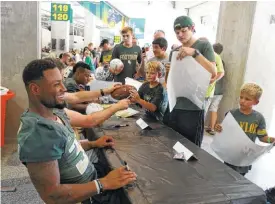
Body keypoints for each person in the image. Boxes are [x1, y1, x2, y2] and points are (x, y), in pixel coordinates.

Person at [18, 59, 136, 204]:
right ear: (35, 89)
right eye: (56, 84)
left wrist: (92, 143)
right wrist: (103, 183)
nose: (64, 88)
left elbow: (65, 147)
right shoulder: (38, 136)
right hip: (87, 196)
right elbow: (53, 196)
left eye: (62, 81)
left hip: (92, 181)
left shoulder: (54, 111)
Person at [163, 16, 216, 147]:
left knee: (190, 148)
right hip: (174, 105)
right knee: (170, 145)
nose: (180, 35)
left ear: (192, 29)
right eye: (177, 32)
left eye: (184, 31)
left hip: (193, 107)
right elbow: (169, 83)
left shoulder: (203, 46)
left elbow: (213, 72)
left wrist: (195, 53)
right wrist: (169, 71)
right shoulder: (175, 51)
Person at [215, 83, 275, 176]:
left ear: (256, 102)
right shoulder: (231, 114)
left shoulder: (259, 118)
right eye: (241, 97)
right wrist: (218, 128)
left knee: (239, 180)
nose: (242, 101)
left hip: (245, 156)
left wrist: (272, 140)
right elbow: (224, 132)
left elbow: (262, 137)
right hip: (231, 153)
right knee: (226, 177)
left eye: (247, 99)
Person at [205, 43, 225, 135]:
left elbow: (220, 73)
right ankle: (211, 128)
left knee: (206, 110)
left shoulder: (214, 59)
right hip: (219, 91)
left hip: (212, 90)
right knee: (214, 109)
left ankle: (208, 127)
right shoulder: (222, 61)